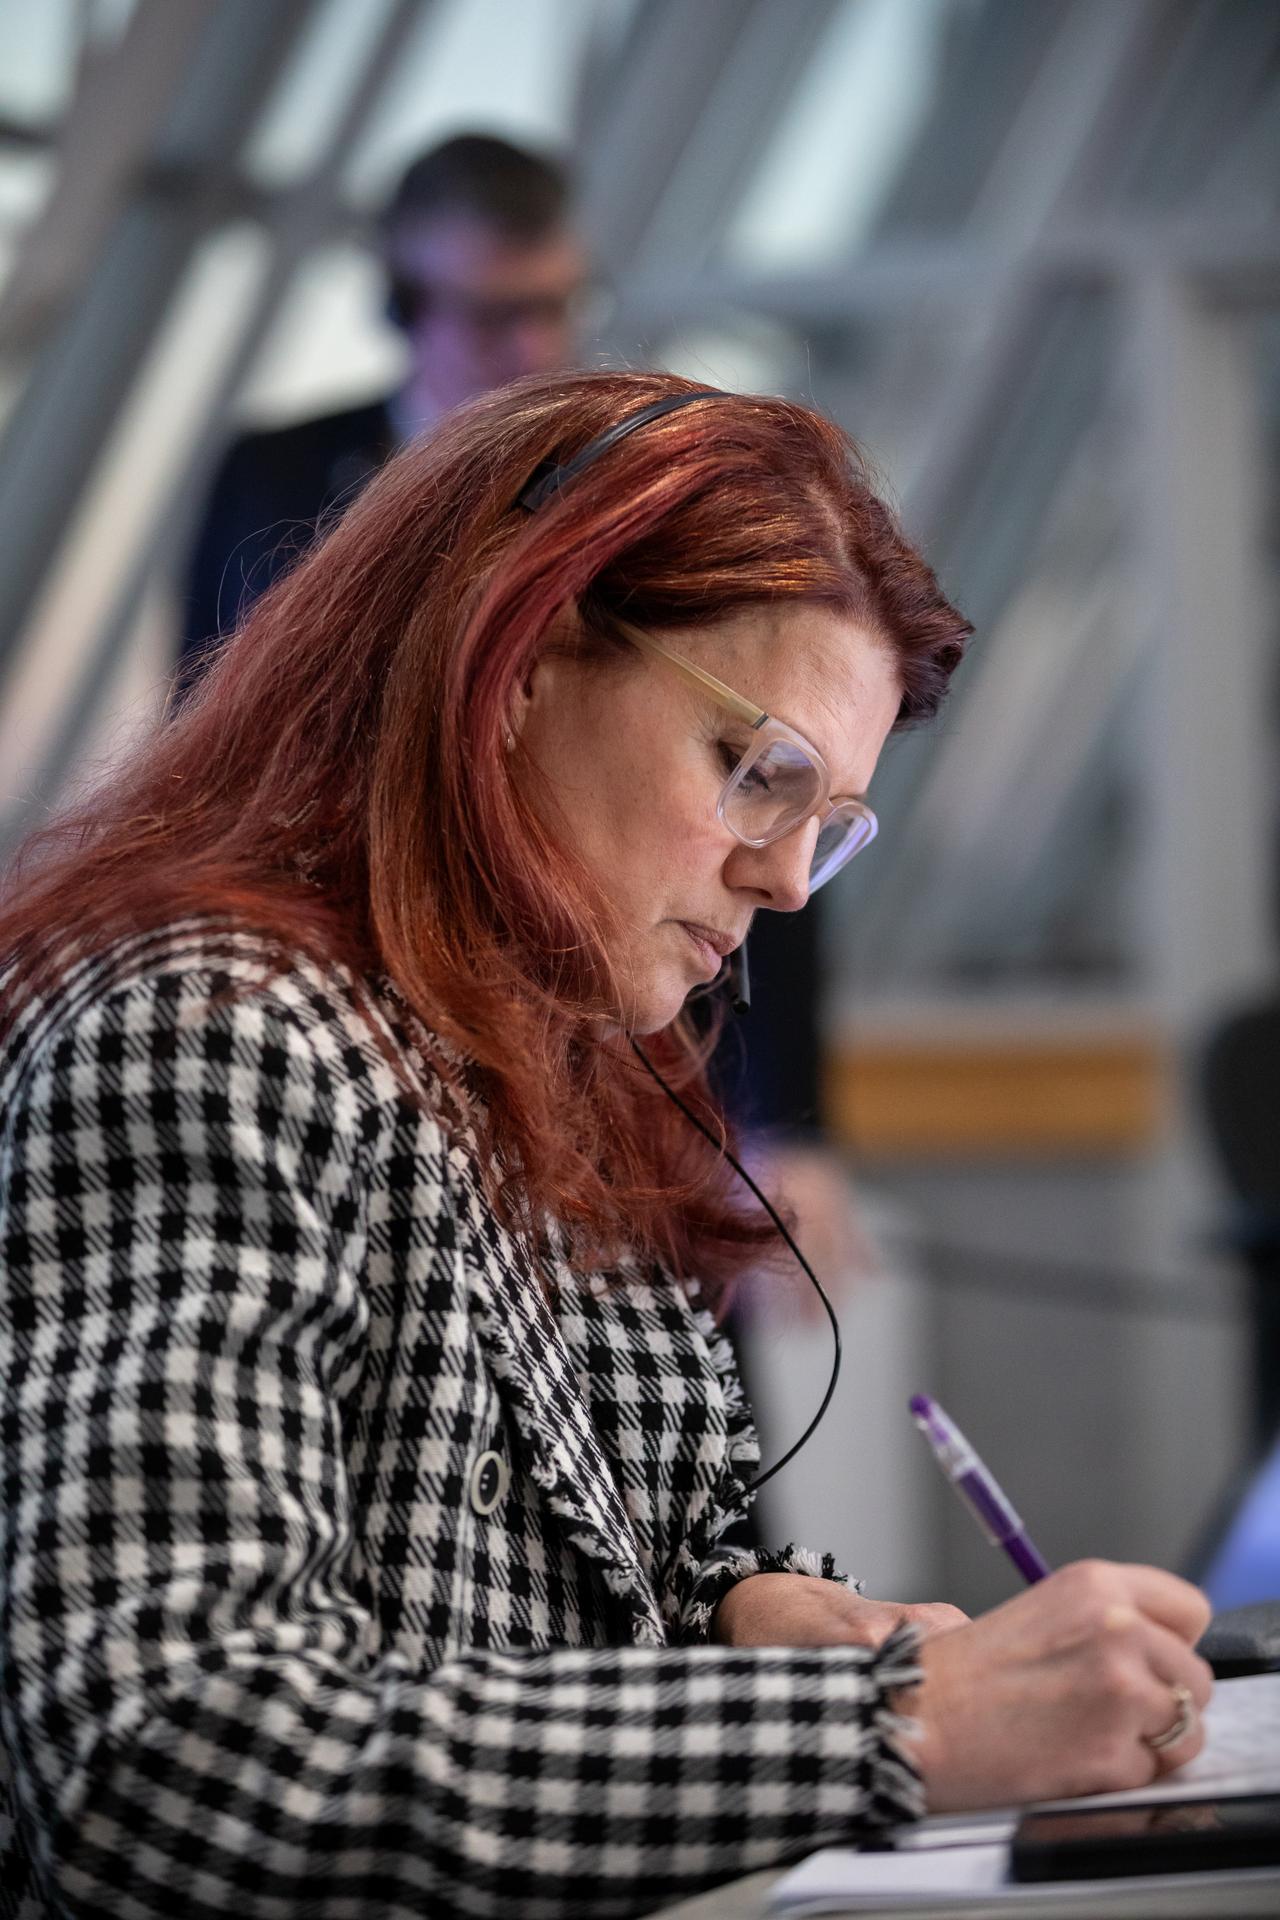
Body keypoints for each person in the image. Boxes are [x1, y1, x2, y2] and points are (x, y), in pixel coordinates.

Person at [0, 372, 1213, 1918]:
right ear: (517, 662)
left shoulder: (556, 1042)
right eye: (757, 774)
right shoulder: (204, 1035)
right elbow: (174, 1768)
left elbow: (590, 1573)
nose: (784, 882)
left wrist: (744, 1617)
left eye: (828, 821)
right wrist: (899, 1726)